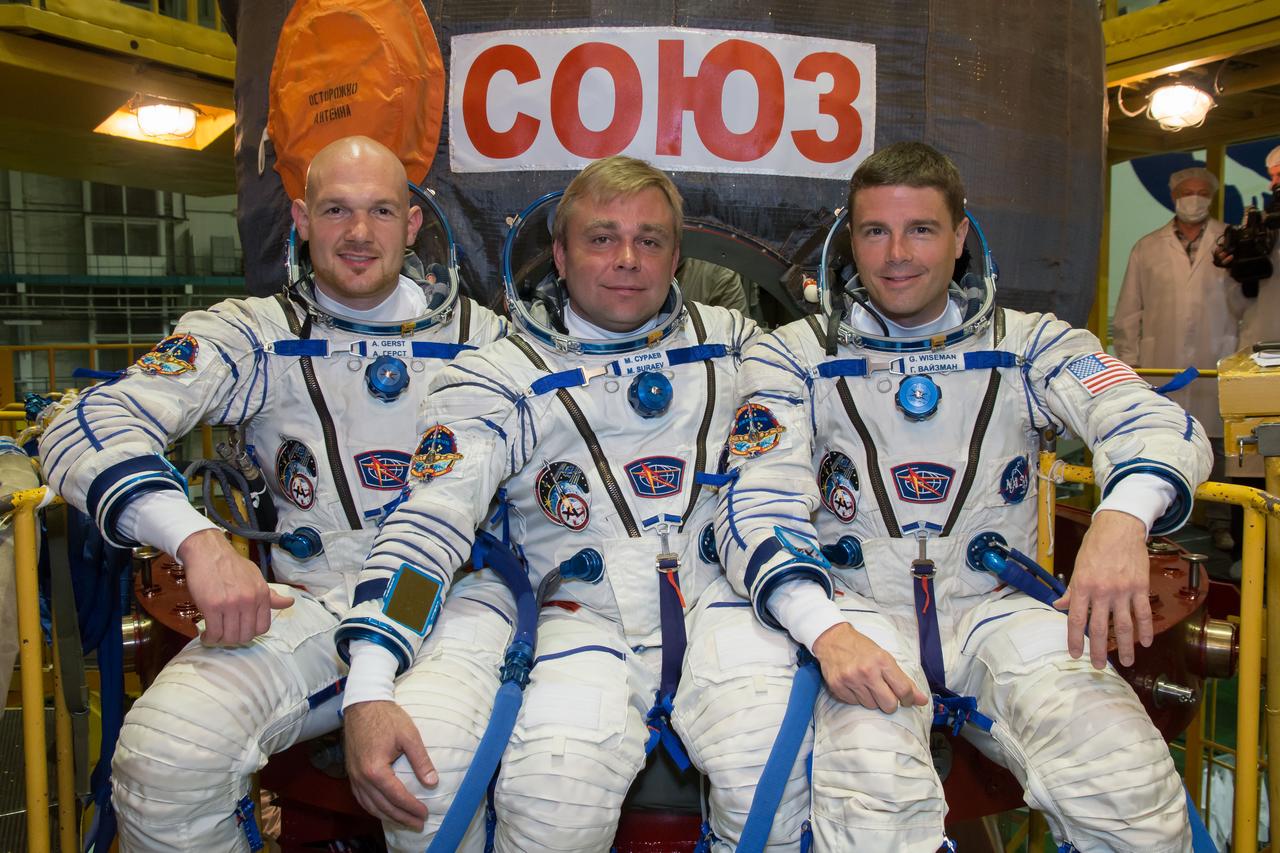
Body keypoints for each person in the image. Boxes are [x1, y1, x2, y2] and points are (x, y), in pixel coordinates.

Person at [673, 141, 1211, 851]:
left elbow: (1152, 419)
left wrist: (1121, 519)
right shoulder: (794, 356)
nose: (897, 254)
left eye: (921, 229)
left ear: (960, 237)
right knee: (875, 807)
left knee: (1127, 781)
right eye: (876, 231)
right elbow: (757, 499)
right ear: (850, 242)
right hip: (861, 612)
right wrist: (824, 627)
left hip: (995, 610)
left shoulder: (1031, 345)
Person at [37, 136, 507, 851]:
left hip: (452, 603)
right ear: (302, 219)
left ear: (413, 225)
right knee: (165, 756)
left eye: (381, 211)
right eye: (336, 210)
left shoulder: (490, 344)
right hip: (317, 606)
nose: (358, 232)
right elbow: (86, 424)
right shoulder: (256, 337)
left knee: (430, 774)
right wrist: (195, 539)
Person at [335, 155, 758, 851]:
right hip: (579, 621)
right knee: (551, 800)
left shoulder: (737, 348)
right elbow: (430, 527)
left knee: (777, 773)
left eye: (649, 240)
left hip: (718, 609)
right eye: (601, 238)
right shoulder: (497, 377)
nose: (627, 260)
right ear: (560, 256)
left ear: (676, 257)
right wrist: (373, 679)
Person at [1114, 165, 1240, 550]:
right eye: (1187, 192)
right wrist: (1131, 364)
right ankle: (1162, 520)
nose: (1194, 199)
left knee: (1218, 448)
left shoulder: (1232, 242)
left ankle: (1220, 523)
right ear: (1174, 197)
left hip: (1216, 358)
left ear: (1212, 197)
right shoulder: (1147, 247)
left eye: (1202, 192)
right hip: (1161, 362)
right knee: (1164, 440)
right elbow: (1128, 312)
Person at [1236, 144, 1280, 349]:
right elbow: (1248, 292)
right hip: (1265, 332)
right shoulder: (1262, 224)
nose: (1272, 185)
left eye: (1279, 176)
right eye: (1272, 177)